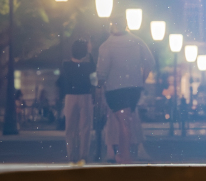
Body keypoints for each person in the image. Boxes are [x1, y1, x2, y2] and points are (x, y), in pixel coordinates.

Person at [97, 13, 155, 164]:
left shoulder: (107, 45)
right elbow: (149, 61)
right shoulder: (137, 41)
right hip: (134, 88)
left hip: (116, 89)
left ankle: (125, 155)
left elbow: (102, 71)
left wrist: (99, 87)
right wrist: (140, 80)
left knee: (123, 122)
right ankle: (123, 154)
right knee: (126, 120)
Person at [61, 39, 95, 164]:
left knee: (70, 128)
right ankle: (83, 156)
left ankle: (72, 156)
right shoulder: (88, 66)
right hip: (85, 96)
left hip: (70, 96)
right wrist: (89, 53)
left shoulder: (66, 65)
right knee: (85, 127)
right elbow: (93, 71)